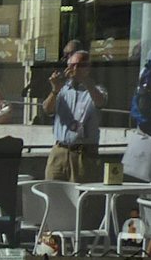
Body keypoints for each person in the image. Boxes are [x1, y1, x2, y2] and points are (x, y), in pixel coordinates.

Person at [42, 49, 107, 182]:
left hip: (83, 153)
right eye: (72, 66)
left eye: (80, 65)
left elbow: (100, 102)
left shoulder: (97, 89)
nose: (75, 69)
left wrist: (85, 81)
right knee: (53, 193)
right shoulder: (62, 90)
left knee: (80, 196)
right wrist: (54, 90)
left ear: (88, 68)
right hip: (60, 151)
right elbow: (47, 109)